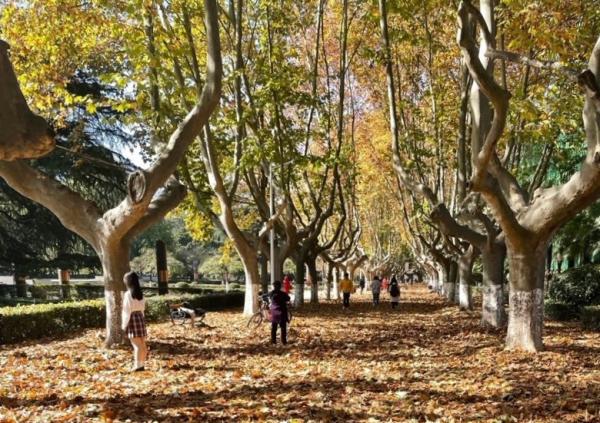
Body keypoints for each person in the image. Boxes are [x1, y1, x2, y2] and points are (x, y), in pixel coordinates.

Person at [122, 271, 148, 372]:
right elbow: (143, 309)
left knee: (137, 345)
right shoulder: (141, 294)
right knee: (142, 344)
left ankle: (137, 366)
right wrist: (142, 319)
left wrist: (124, 324)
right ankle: (141, 364)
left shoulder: (128, 294)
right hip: (140, 318)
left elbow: (126, 310)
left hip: (132, 319)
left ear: (128, 282)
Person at [269, 280, 290, 345]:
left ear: (274, 286)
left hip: (274, 313)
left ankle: (273, 341)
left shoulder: (272, 293)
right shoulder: (283, 294)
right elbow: (288, 298)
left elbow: (269, 297)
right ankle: (284, 341)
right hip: (282, 312)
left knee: (274, 328)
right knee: (283, 328)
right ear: (280, 286)